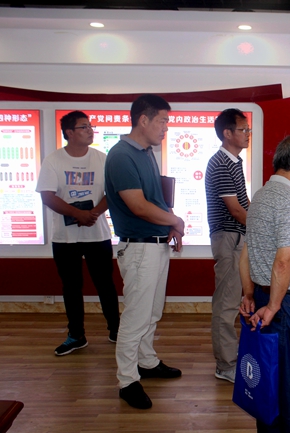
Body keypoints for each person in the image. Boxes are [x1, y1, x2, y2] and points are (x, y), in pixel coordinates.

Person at [104, 94, 185, 410]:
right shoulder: (121, 156)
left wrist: (170, 223)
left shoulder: (146, 152)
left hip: (155, 244)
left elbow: (155, 199)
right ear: (143, 119)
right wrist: (175, 221)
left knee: (151, 312)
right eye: (162, 121)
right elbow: (138, 206)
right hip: (139, 248)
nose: (166, 127)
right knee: (136, 317)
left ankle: (147, 362)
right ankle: (127, 381)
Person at [239, 133, 290, 433]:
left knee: (269, 387)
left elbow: (246, 253)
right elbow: (284, 260)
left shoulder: (261, 194)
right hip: (287, 307)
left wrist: (249, 294)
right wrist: (274, 307)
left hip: (265, 300)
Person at [36, 110, 120, 356]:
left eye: (90, 126)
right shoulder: (53, 160)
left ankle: (116, 330)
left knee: (105, 284)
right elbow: (47, 196)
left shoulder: (102, 159)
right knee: (71, 287)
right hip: (65, 237)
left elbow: (113, 192)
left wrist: (92, 213)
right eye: (84, 127)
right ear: (69, 132)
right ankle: (76, 335)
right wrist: (77, 214)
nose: (90, 130)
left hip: (97, 233)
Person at [205, 108, 251, 384]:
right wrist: (261, 229)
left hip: (237, 237)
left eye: (248, 129)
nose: (247, 134)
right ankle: (225, 365)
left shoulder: (234, 161)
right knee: (226, 304)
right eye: (243, 129)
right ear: (227, 133)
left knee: (233, 301)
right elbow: (235, 210)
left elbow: (243, 204)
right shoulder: (221, 163)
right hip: (228, 237)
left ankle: (231, 358)